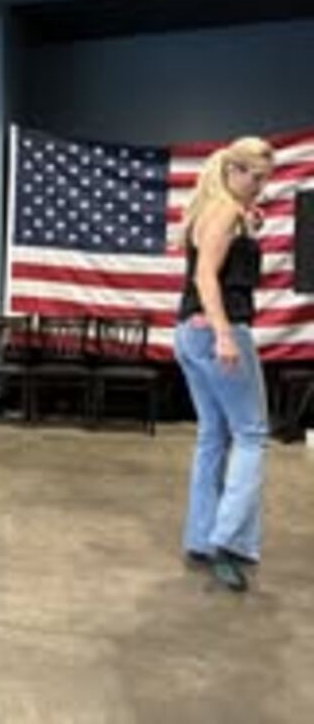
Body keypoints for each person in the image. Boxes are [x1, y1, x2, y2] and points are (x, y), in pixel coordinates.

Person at [174, 136, 274, 593]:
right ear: (233, 171)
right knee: (252, 435)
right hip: (218, 331)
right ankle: (227, 542)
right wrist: (222, 333)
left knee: (213, 435)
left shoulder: (213, 212)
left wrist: (246, 224)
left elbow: (212, 266)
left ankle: (201, 538)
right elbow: (205, 276)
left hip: (190, 333)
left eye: (265, 179)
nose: (260, 187)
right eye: (255, 177)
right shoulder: (225, 213)